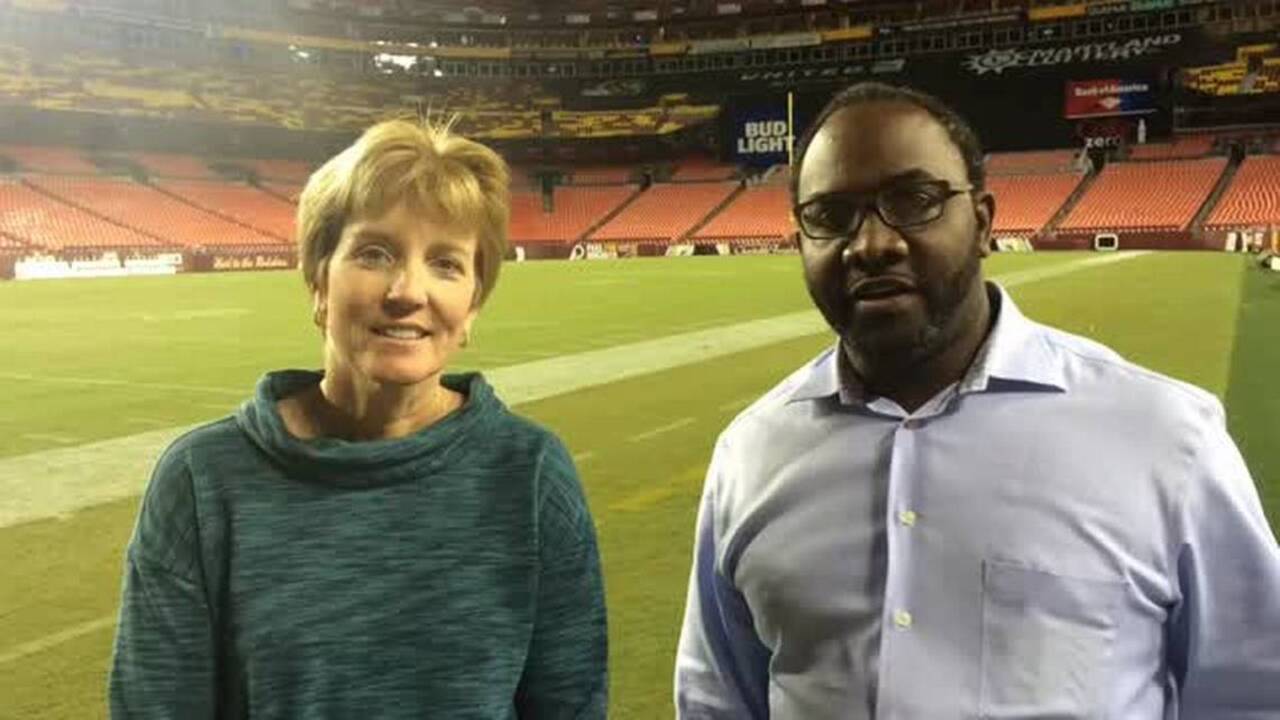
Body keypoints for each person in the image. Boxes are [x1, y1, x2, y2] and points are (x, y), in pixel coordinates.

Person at [674, 82, 1280, 718]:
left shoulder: (1164, 437)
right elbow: (719, 700)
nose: (872, 244)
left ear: (984, 222)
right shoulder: (752, 452)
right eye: (829, 215)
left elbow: (1253, 695)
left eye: (914, 201)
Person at [109, 119, 607, 719]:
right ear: (319, 280)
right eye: (375, 253)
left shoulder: (529, 475)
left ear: (472, 306)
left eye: (446, 264)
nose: (407, 290)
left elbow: (570, 707)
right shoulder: (202, 482)